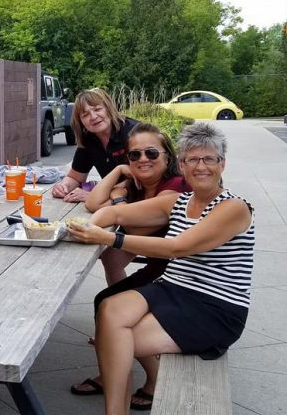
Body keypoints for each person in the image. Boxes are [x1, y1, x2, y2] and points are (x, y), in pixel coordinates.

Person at [67, 122, 254, 415]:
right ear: (181, 164)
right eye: (192, 159)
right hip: (173, 288)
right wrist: (86, 227)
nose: (200, 166)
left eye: (209, 159)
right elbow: (112, 211)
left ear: (222, 164)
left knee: (112, 339)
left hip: (215, 306)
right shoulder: (178, 202)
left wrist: (108, 238)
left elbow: (178, 247)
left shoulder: (234, 208)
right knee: (109, 307)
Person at [71, 123, 191, 410]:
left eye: (151, 152)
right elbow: (94, 204)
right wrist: (119, 172)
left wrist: (119, 197)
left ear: (167, 157)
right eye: (134, 155)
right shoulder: (141, 183)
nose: (142, 160)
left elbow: (130, 225)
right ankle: (110, 375)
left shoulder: (172, 189)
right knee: (106, 300)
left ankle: (154, 378)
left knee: (112, 306)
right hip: (161, 268)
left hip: (182, 276)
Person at [51, 88, 139, 202]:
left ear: (109, 108)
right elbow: (75, 177)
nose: (93, 117)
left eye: (97, 109)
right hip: (115, 200)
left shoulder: (133, 133)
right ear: (80, 122)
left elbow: (143, 177)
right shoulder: (89, 140)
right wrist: (63, 186)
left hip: (144, 198)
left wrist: (96, 195)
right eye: (85, 115)